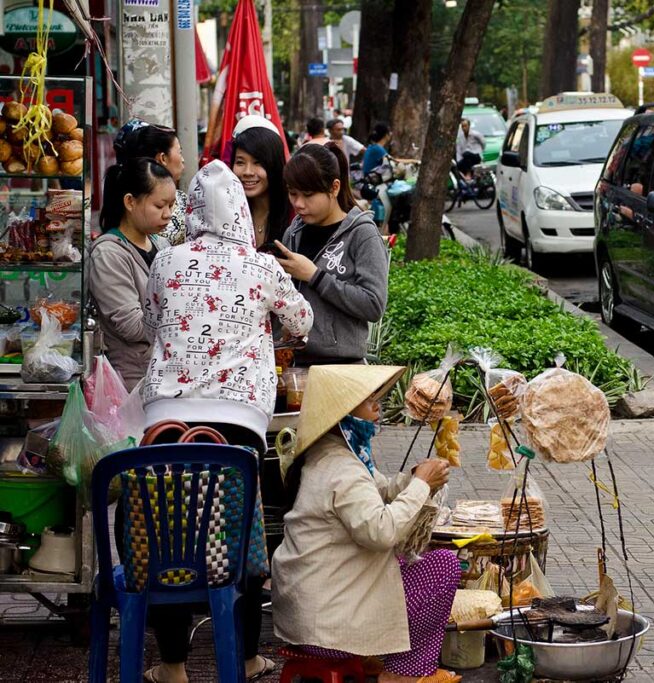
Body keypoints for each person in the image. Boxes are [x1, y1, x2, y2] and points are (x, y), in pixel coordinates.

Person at [139, 160, 313, 683]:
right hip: (237, 425)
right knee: (241, 543)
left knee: (168, 539)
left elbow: (151, 323)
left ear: (190, 209)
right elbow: (302, 321)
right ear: (240, 211)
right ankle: (245, 657)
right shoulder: (261, 267)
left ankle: (171, 666)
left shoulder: (166, 261)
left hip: (162, 424)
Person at [273, 364, 462, 683]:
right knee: (442, 566)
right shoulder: (342, 469)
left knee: (407, 563)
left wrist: (414, 478)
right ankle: (401, 673)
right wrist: (421, 486)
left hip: (313, 612)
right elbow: (382, 532)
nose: (377, 407)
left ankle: (385, 657)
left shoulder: (330, 454)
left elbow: (378, 492)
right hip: (328, 625)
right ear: (343, 414)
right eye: (368, 400)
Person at [272, 142, 389, 365]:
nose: (298, 204)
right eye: (292, 193)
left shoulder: (362, 234)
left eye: (308, 195)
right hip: (292, 364)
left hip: (342, 368)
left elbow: (373, 305)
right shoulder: (294, 232)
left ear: (334, 188)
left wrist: (315, 276)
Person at [89, 157, 175, 389]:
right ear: (130, 202)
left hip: (163, 374)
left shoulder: (162, 245)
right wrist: (182, 319)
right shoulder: (108, 254)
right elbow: (131, 326)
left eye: (171, 205)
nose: (167, 214)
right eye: (159, 206)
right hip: (130, 382)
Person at [114, 119, 189, 245]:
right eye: (179, 152)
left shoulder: (182, 198)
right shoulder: (142, 223)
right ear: (162, 158)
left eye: (170, 205)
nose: (167, 215)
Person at [232, 115, 292, 248]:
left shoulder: (295, 214)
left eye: (258, 163)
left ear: (274, 165)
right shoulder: (227, 212)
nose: (248, 172)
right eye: (240, 162)